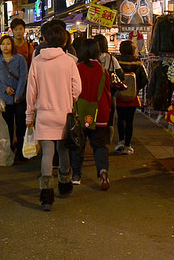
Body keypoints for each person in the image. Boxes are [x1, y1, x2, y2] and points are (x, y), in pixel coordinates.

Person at [26, 25, 81, 211]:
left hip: (43, 114)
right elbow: (77, 89)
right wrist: (69, 99)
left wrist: (29, 115)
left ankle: (46, 196)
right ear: (65, 41)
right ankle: (64, 185)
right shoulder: (69, 61)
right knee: (63, 150)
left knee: (47, 153)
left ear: (45, 40)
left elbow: (31, 92)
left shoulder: (37, 61)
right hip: (63, 113)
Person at [70, 38, 113, 191]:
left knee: (78, 145)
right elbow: (107, 95)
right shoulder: (103, 71)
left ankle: (76, 175)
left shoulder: (77, 68)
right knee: (100, 146)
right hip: (99, 115)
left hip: (80, 115)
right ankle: (103, 171)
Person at [0, 35, 28, 161]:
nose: (5, 46)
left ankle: (21, 151)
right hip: (4, 99)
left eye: (8, 43)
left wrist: (18, 94)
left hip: (20, 98)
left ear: (12, 45)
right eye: (3, 44)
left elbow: (23, 77)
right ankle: (9, 150)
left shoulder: (20, 59)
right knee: (7, 126)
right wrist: (4, 88)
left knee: (21, 125)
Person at [114, 40, 148, 154]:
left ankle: (120, 141)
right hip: (133, 96)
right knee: (129, 121)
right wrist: (136, 88)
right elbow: (145, 79)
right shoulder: (138, 62)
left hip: (119, 95)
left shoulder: (117, 61)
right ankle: (128, 145)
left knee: (120, 119)